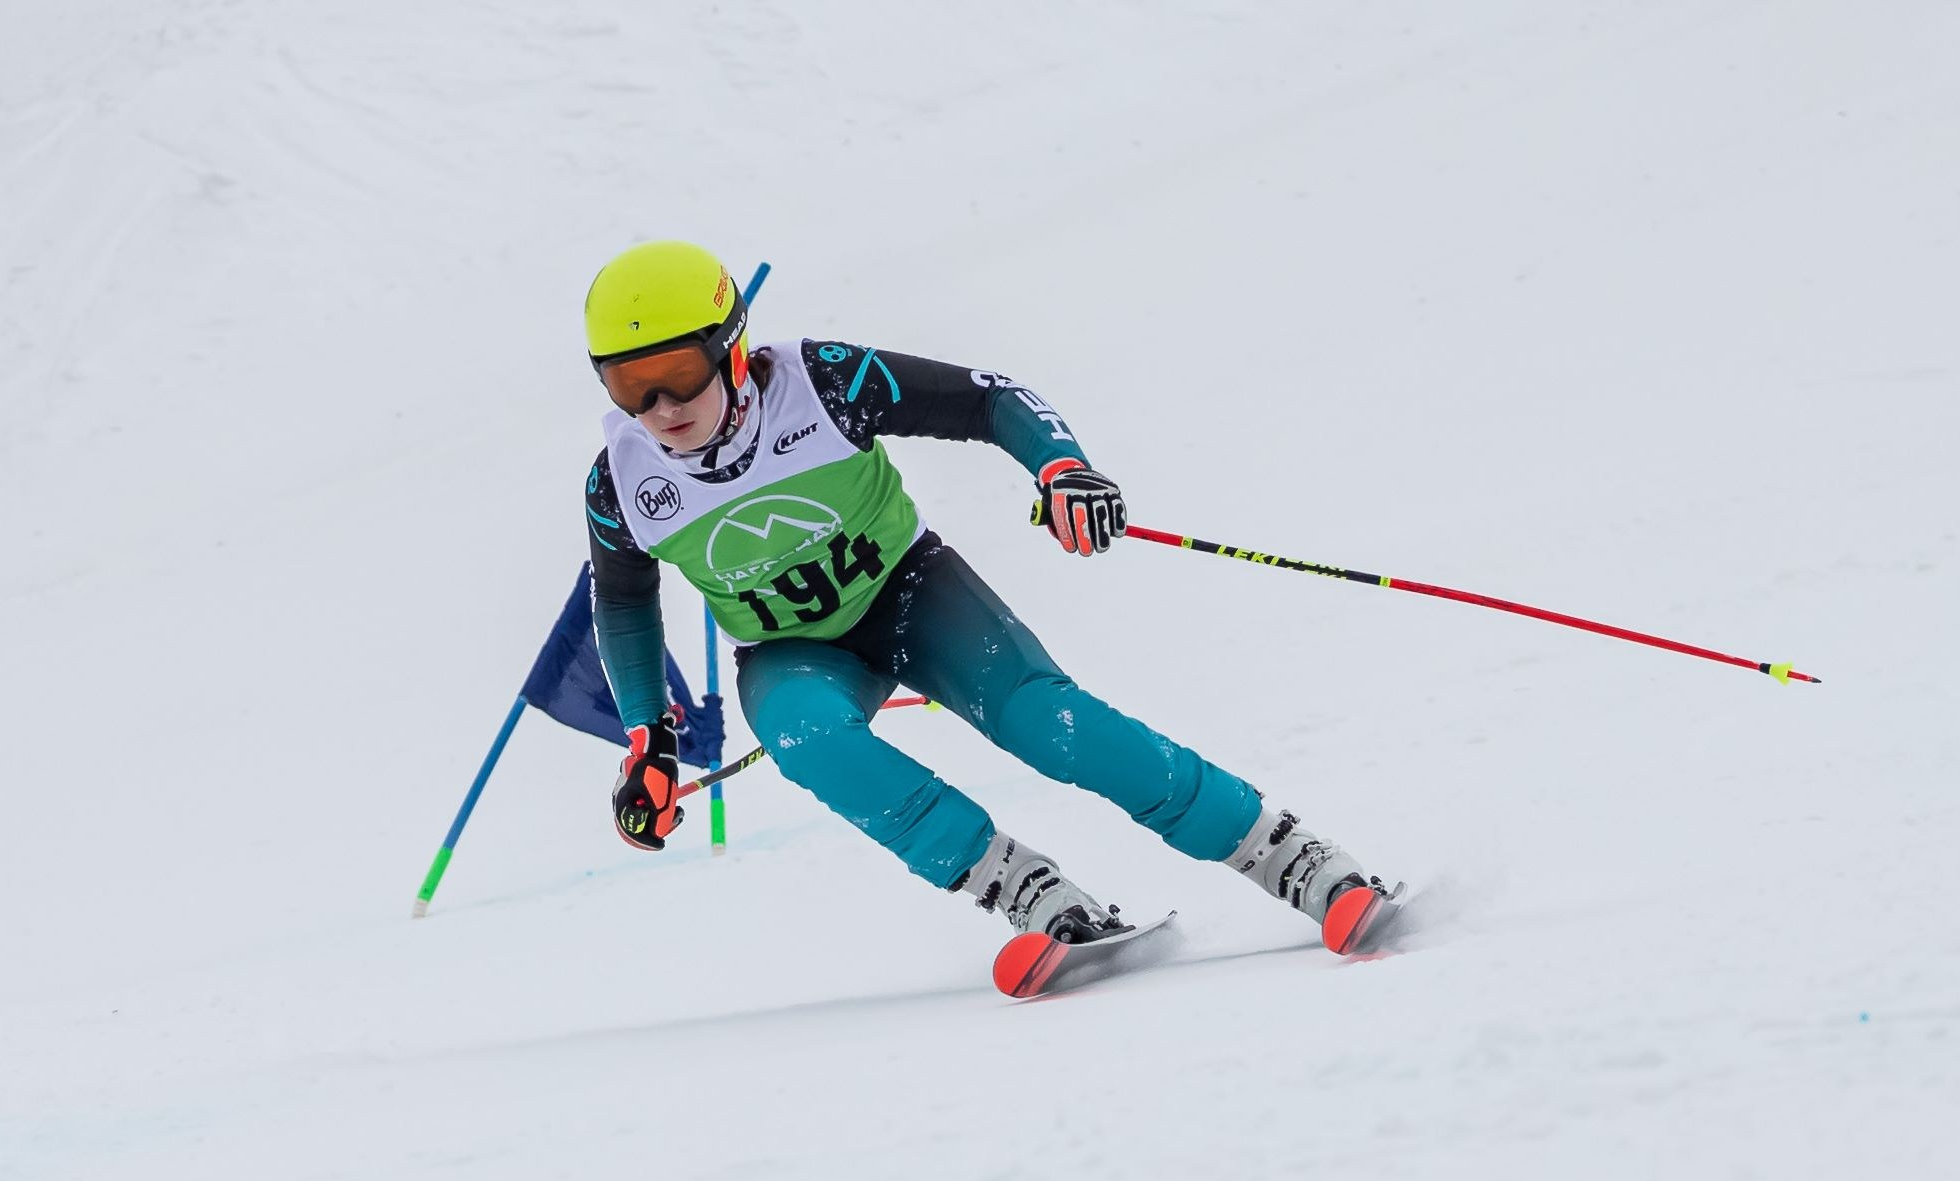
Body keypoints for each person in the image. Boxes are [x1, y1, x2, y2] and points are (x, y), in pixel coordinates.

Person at [580, 240, 1397, 954]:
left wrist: (1061, 467)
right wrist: (648, 735)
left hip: (910, 592)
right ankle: (1033, 896)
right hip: (794, 652)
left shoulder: (821, 383)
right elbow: (622, 603)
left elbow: (987, 397)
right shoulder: (622, 481)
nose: (662, 409)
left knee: (1047, 724)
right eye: (630, 387)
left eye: (680, 375)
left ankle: (1293, 857)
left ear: (730, 349)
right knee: (805, 735)